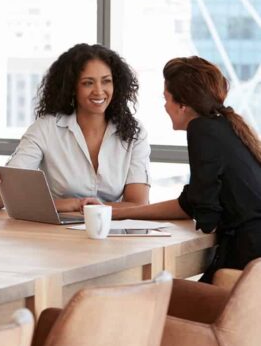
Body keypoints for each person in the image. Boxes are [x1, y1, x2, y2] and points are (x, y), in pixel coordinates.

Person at [96, 56, 261, 282]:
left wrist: (113, 211)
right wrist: (114, 212)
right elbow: (192, 203)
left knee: (159, 293)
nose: (165, 106)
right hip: (251, 258)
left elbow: (205, 213)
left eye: (166, 99)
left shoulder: (201, 129)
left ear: (182, 105)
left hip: (245, 258)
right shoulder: (224, 125)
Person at [0, 43, 151, 211]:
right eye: (88, 83)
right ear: (72, 87)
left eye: (106, 81)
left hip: (115, 233)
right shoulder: (45, 129)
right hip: (57, 235)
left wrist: (80, 206)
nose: (99, 91)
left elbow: (138, 204)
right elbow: (1, 199)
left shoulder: (134, 133)